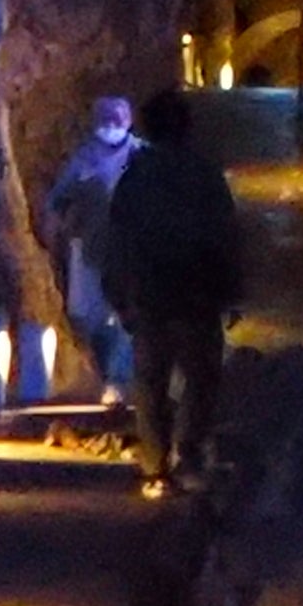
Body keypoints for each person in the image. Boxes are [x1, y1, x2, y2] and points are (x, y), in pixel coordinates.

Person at [96, 87, 243, 491]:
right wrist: (232, 289)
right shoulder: (204, 175)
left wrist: (119, 294)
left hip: (152, 295)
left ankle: (155, 464)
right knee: (200, 378)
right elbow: (225, 234)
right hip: (198, 292)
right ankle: (189, 454)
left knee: (151, 381)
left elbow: (119, 239)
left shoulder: (136, 177)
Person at [41, 92, 139, 400]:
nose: (111, 126)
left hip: (131, 253)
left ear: (128, 121)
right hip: (88, 251)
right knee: (89, 318)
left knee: (128, 318)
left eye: (117, 120)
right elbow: (58, 199)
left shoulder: (142, 157)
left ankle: (118, 380)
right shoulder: (83, 159)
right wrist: (53, 230)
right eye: (105, 121)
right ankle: (99, 374)